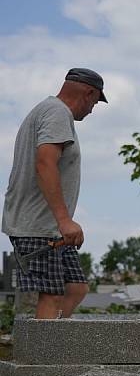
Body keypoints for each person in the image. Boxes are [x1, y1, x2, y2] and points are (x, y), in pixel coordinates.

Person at [2, 67, 108, 319]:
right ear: (89, 92)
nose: (93, 108)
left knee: (75, 288)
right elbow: (45, 163)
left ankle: (55, 345)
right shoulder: (57, 112)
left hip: (51, 228)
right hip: (38, 226)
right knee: (52, 295)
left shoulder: (51, 112)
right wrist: (64, 220)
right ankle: (41, 356)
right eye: (95, 101)